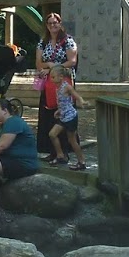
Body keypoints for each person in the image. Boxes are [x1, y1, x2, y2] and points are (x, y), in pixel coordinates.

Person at [36, 13, 78, 153]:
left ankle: (65, 148)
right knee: (47, 114)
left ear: (60, 24)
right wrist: (47, 66)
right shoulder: (43, 42)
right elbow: (38, 63)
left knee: (64, 113)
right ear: (46, 26)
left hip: (63, 82)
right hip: (48, 83)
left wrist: (53, 69)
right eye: (50, 23)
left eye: (55, 22)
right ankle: (50, 149)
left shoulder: (68, 41)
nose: (53, 25)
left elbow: (72, 61)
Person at [0, 97, 40, 182]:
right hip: (11, 158)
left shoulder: (13, 121)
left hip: (23, 163)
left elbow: (2, 146)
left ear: (5, 111)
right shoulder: (3, 125)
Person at [47, 66, 87, 172]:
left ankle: (81, 161)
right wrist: (59, 110)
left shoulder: (66, 87)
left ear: (60, 77)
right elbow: (63, 102)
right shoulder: (58, 88)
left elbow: (76, 96)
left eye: (53, 77)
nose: (51, 79)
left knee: (72, 140)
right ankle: (60, 155)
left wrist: (82, 101)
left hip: (71, 117)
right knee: (52, 134)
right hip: (63, 115)